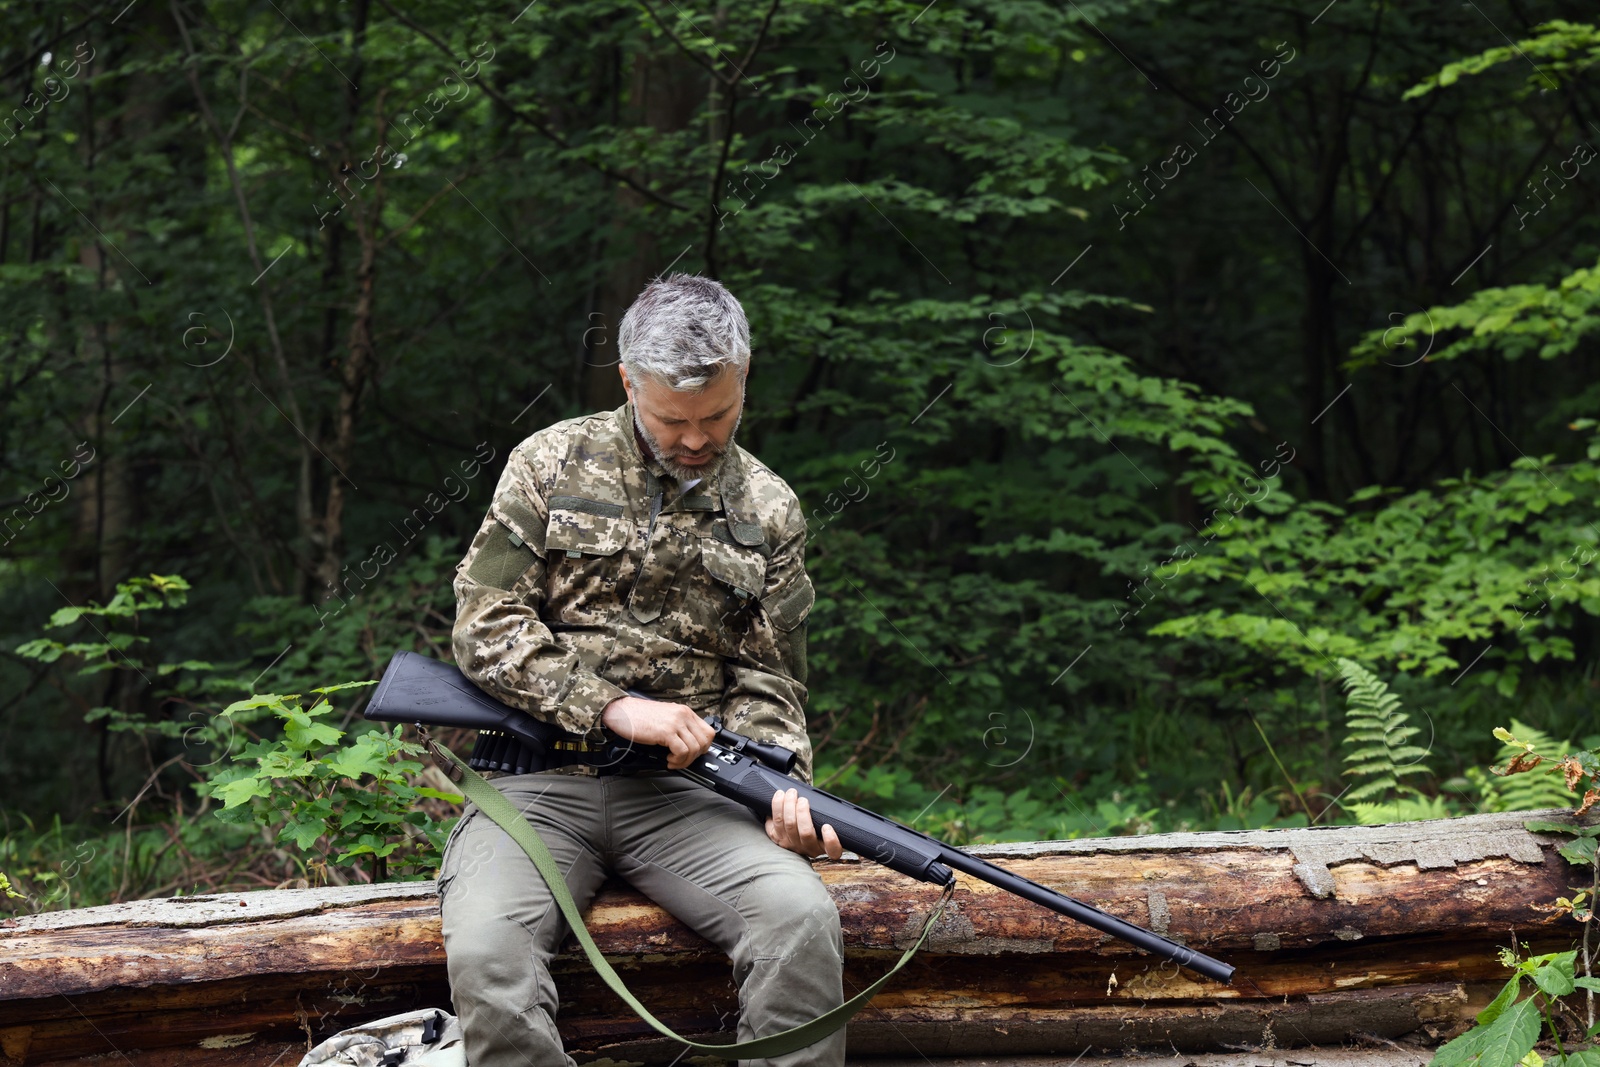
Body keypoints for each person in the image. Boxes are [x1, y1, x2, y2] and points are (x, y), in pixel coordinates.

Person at [438, 274, 847, 1067]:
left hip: (690, 796)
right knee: (489, 953)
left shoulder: (770, 507)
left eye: (717, 416)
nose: (696, 439)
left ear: (745, 376)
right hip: (536, 779)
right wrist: (609, 704)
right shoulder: (548, 462)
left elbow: (772, 680)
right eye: (672, 420)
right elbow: (481, 623)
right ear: (628, 382)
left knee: (800, 920)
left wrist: (778, 787)